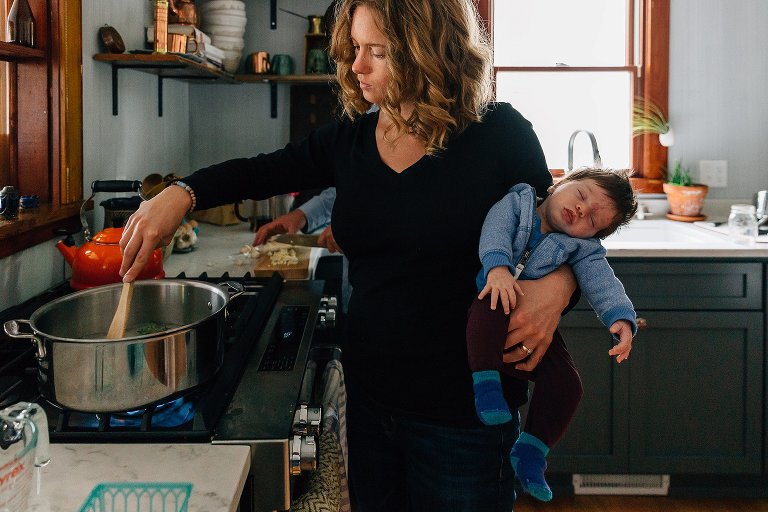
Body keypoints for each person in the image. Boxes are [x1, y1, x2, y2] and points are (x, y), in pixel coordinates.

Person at [118, 1, 578, 510]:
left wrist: (558, 289)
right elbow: (262, 170)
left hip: (466, 417)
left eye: (376, 52)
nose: (356, 66)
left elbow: (571, 236)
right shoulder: (352, 140)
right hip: (372, 403)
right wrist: (181, 193)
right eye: (356, 48)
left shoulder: (500, 133)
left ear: (429, 53)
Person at [467, 168, 638, 502]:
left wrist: (622, 318)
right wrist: (498, 268)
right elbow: (494, 230)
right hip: (495, 294)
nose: (581, 211)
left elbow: (602, 280)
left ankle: (531, 453)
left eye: (592, 221)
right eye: (583, 195)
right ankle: (486, 387)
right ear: (561, 182)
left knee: (568, 384)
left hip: (535, 321)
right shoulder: (518, 202)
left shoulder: (581, 248)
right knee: (486, 308)